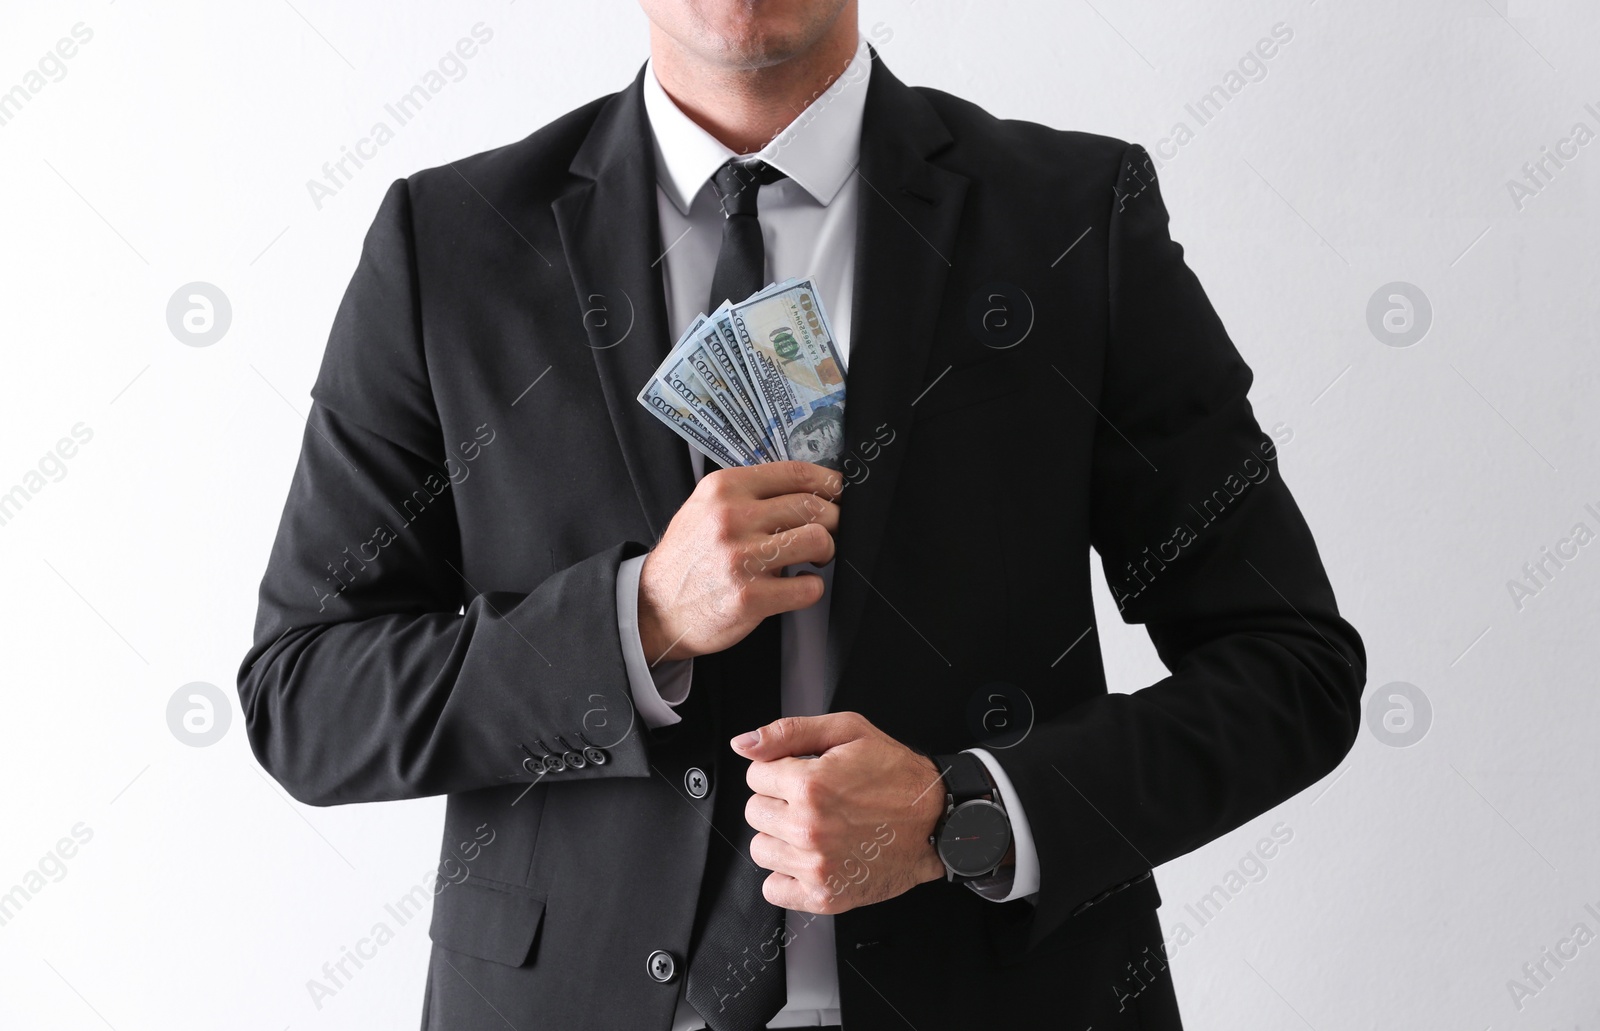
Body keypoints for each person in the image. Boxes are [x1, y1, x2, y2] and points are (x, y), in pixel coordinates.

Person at [238, 1, 1366, 1028]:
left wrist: (959, 812)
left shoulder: (1072, 219)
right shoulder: (449, 244)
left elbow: (1289, 669)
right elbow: (305, 692)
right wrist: (634, 622)